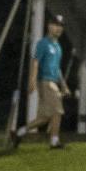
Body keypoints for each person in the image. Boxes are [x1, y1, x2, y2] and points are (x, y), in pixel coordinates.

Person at [15, 14, 70, 149]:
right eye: (56, 25)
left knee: (45, 117)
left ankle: (19, 132)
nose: (58, 28)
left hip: (53, 82)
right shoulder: (43, 43)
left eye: (61, 26)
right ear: (49, 26)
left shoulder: (58, 47)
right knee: (58, 111)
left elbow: (58, 69)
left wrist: (64, 86)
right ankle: (54, 141)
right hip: (45, 82)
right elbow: (35, 62)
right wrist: (32, 80)